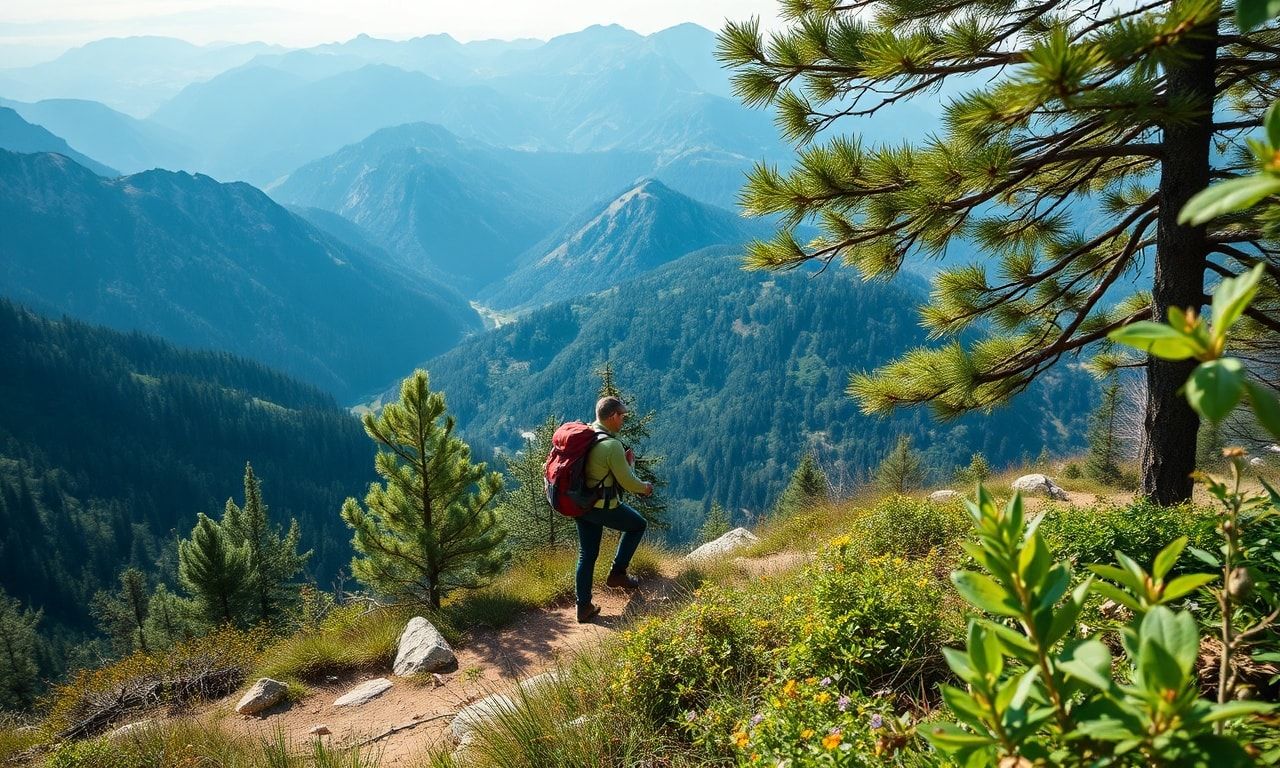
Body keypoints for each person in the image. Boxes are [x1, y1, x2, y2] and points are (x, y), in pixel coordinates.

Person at [575, 395, 652, 623]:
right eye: (622, 416)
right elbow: (628, 482)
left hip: (582, 505)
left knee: (587, 555)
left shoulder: (588, 434)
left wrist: (625, 464)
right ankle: (618, 573)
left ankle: (583, 606)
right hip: (603, 506)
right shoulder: (611, 445)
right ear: (612, 416)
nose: (623, 421)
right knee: (638, 525)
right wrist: (645, 487)